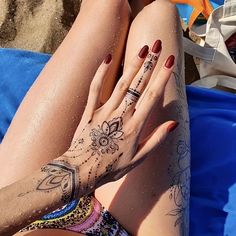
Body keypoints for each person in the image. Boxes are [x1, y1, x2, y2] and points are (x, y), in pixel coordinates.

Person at [0, 0, 190, 235]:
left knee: (107, 5)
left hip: (16, 210)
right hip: (123, 230)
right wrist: (78, 169)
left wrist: (75, 167)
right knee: (159, 15)